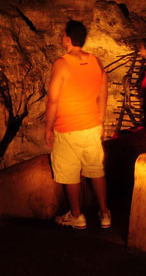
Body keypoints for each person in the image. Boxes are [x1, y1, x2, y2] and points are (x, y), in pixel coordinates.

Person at [45, 20, 111, 230]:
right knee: (96, 170)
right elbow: (103, 93)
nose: (61, 37)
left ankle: (76, 216)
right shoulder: (95, 61)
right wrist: (100, 121)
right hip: (91, 126)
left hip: (68, 128)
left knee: (70, 173)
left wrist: (48, 127)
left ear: (68, 38)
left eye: (63, 34)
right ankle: (105, 213)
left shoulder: (61, 63)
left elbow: (53, 99)